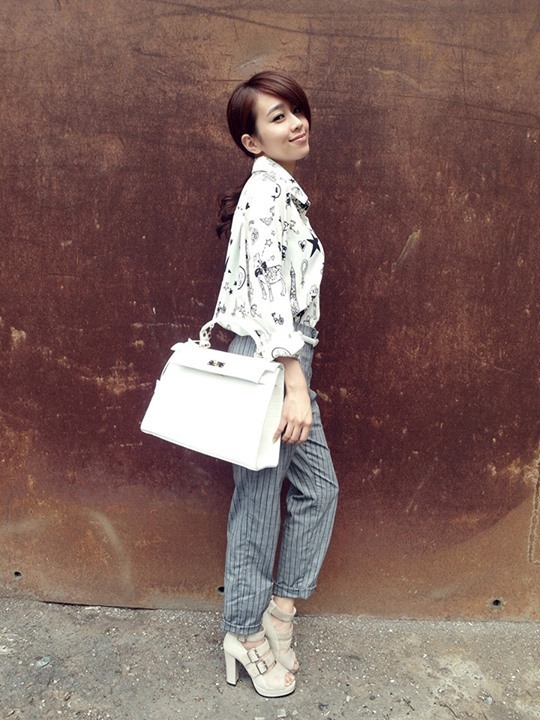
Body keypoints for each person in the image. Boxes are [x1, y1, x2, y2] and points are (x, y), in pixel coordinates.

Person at [212, 70, 339, 698]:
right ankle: (243, 630)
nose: (296, 123)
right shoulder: (265, 195)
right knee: (260, 502)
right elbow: (266, 300)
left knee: (318, 489)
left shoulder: (282, 192)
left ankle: (278, 613)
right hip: (274, 363)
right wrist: (292, 381)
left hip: (287, 363)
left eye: (296, 110)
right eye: (278, 117)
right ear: (252, 141)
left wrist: (296, 374)